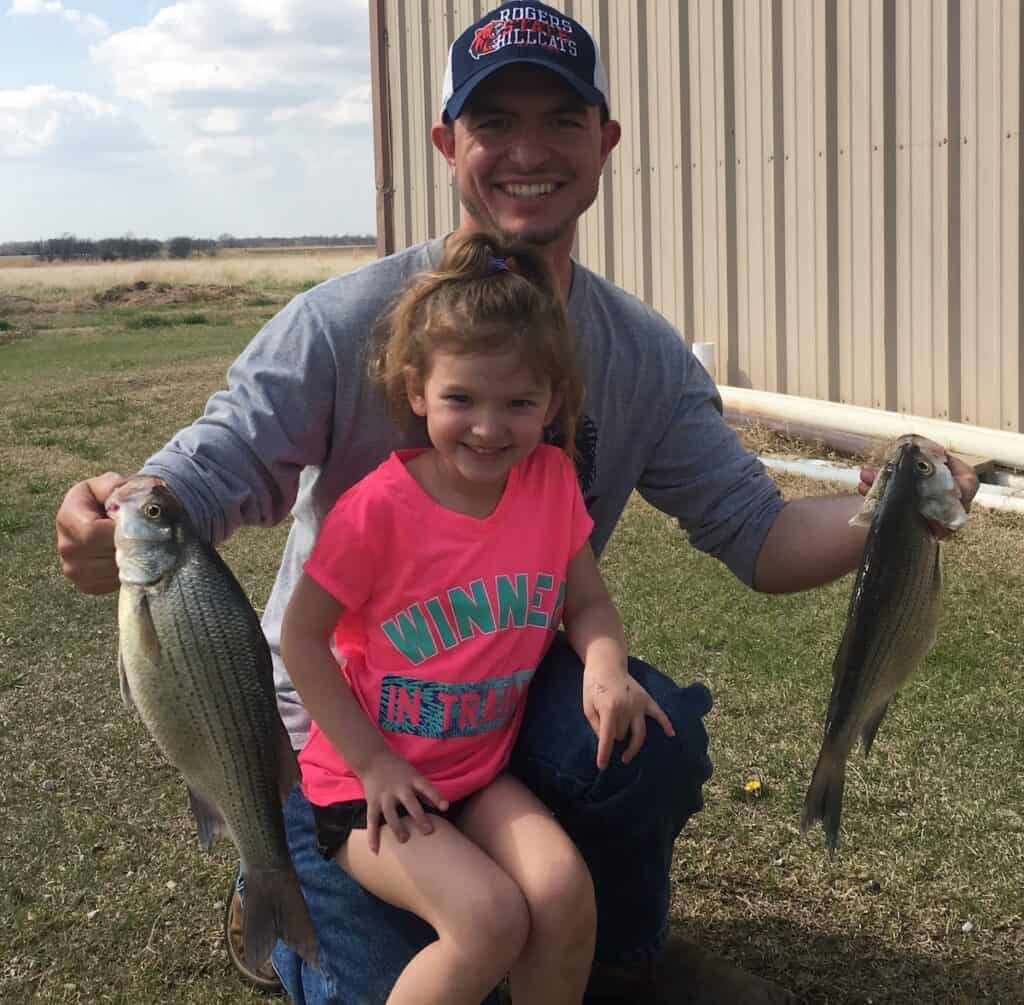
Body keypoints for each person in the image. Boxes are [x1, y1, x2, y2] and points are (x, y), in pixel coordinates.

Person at [55, 2, 978, 1003]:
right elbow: (215, 462)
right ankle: (274, 876)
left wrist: (888, 509)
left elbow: (756, 536)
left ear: (603, 143)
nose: (526, 151)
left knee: (644, 735)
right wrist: (123, 507)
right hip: (339, 731)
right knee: (403, 975)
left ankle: (623, 954)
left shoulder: (641, 354)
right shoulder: (341, 323)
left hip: (493, 697)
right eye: (494, 124)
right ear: (448, 143)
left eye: (561, 120)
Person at [283, 232, 675, 1005]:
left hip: (474, 774)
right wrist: (373, 763)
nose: (490, 428)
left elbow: (587, 601)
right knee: (489, 919)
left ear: (553, 403)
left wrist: (605, 665)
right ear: (417, 388)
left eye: (518, 404)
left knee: (563, 892)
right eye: (462, 398)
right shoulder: (379, 511)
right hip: (367, 786)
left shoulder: (550, 483)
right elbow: (301, 638)